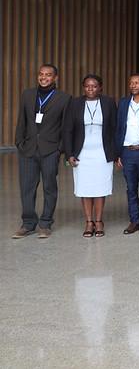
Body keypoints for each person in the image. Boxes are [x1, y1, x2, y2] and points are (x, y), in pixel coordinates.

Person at [13, 63, 71, 239]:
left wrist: (60, 149)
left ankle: (45, 223)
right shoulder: (27, 94)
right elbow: (22, 120)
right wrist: (19, 142)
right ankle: (28, 223)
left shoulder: (64, 98)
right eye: (41, 74)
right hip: (28, 149)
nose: (44, 77)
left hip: (50, 150)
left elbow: (66, 126)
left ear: (55, 78)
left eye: (48, 75)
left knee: (49, 187)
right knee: (26, 188)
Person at [63, 74, 117, 238]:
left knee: (100, 188)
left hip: (102, 153)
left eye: (94, 86)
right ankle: (88, 221)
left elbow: (115, 128)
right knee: (85, 188)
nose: (90, 89)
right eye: (87, 86)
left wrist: (116, 153)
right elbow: (67, 130)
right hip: (82, 154)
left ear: (100, 87)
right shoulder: (75, 103)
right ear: (83, 87)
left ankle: (99, 221)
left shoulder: (108, 102)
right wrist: (69, 154)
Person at [116, 73, 139, 235]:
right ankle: (134, 221)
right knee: (131, 188)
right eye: (131, 83)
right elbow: (118, 128)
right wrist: (118, 153)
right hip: (128, 151)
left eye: (137, 83)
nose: (133, 85)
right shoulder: (123, 103)